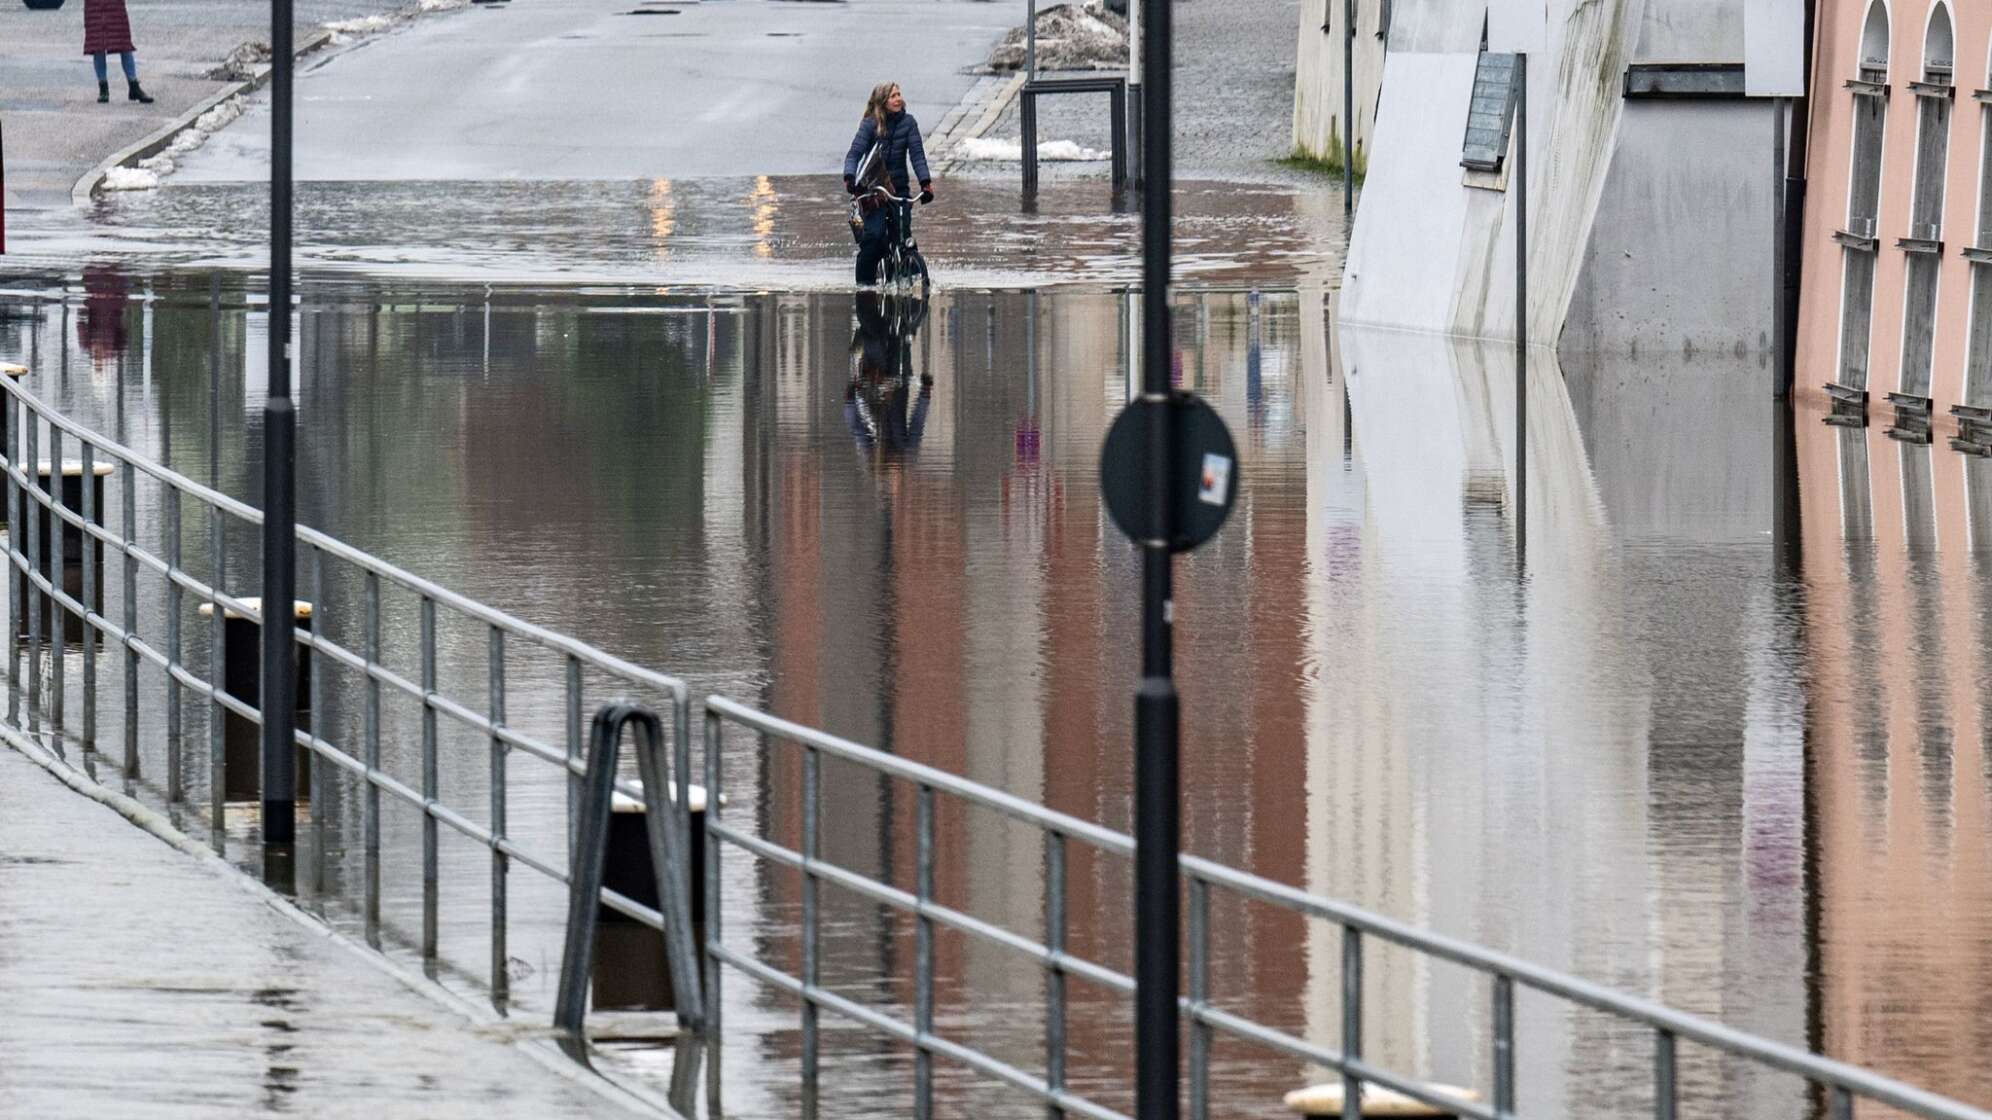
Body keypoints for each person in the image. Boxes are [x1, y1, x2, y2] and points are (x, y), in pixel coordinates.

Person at [842, 82, 932, 285]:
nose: (898, 98)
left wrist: (925, 183)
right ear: (883, 102)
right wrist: (849, 176)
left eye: (899, 94)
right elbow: (855, 153)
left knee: (903, 236)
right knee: (874, 238)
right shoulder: (869, 124)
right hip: (874, 191)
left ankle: (909, 272)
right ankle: (865, 288)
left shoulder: (909, 123)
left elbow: (917, 156)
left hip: (898, 189)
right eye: (893, 96)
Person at [83, 0, 153, 104]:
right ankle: (103, 88)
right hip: (94, 4)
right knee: (98, 44)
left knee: (123, 42)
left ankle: (133, 86)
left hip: (115, 4)